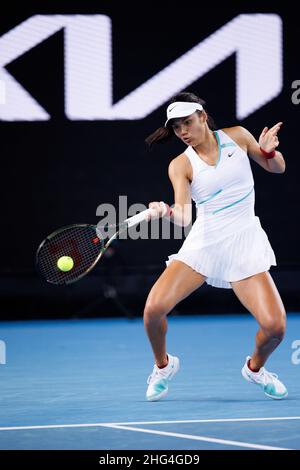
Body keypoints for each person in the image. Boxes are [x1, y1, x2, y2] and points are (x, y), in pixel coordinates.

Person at [143, 92, 287, 402]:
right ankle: (163, 366)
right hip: (204, 243)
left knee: (275, 328)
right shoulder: (180, 165)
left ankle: (255, 369)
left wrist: (268, 152)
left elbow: (277, 168)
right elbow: (183, 217)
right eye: (176, 127)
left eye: (187, 123)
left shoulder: (237, 137)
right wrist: (166, 211)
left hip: (244, 242)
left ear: (203, 117)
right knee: (153, 311)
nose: (182, 131)